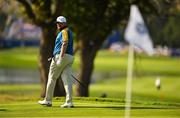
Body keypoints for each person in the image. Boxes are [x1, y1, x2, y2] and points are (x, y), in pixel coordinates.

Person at [38, 16, 74, 108]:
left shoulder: (64, 31)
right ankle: (69, 102)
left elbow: (65, 43)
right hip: (70, 57)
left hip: (61, 56)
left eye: (59, 23)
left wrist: (60, 57)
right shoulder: (69, 32)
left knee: (52, 78)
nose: (58, 25)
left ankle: (48, 100)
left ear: (64, 24)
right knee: (67, 80)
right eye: (57, 23)